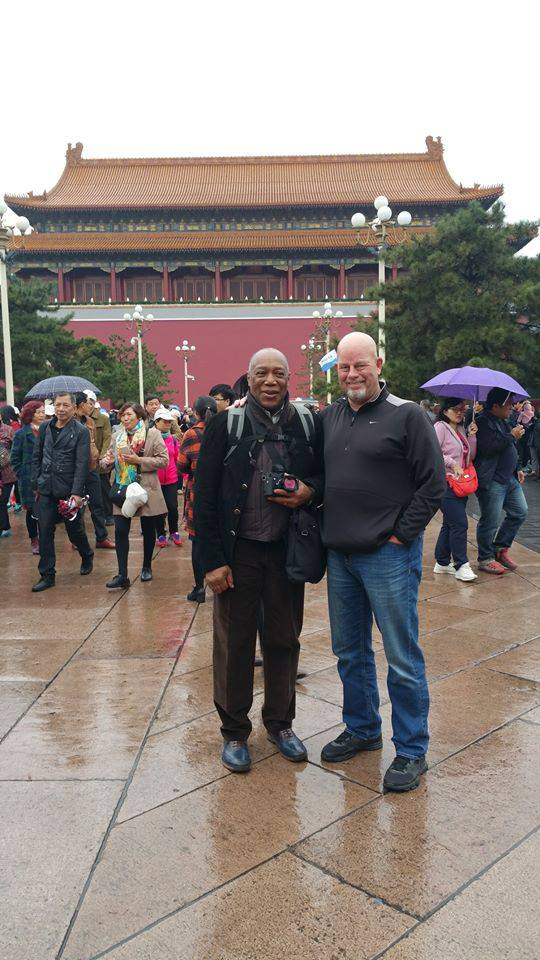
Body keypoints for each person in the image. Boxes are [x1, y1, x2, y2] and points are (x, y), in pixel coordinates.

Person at [318, 332, 446, 793]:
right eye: (345, 367)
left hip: (387, 556)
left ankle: (412, 749)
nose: (352, 374)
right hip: (341, 556)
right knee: (348, 651)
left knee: (401, 655)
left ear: (378, 363)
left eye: (360, 365)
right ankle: (363, 728)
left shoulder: (408, 415)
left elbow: (433, 486)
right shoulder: (329, 417)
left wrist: (399, 535)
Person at [195, 349, 324, 773]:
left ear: (289, 379)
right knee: (234, 645)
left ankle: (281, 724)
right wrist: (211, 562)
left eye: (279, 374)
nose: (271, 381)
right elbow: (205, 497)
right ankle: (234, 731)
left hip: (286, 550)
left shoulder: (306, 423)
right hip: (239, 553)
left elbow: (324, 477)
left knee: (284, 641)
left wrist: (309, 491)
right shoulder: (224, 425)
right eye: (262, 374)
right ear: (247, 380)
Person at [30, 392, 94, 592]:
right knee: (45, 530)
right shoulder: (45, 427)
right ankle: (47, 574)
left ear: (74, 408)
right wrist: (36, 481)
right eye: (58, 405)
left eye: (66, 405)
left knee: (74, 530)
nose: (61, 409)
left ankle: (86, 554)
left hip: (68, 489)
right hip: (47, 487)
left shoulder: (81, 431)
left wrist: (76, 492)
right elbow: (37, 455)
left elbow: (82, 463)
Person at [100, 402, 168, 588]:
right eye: (123, 415)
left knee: (148, 529)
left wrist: (139, 460)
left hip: (144, 488)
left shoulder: (152, 434)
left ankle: (146, 566)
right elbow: (105, 461)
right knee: (121, 530)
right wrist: (107, 462)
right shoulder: (117, 436)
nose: (125, 418)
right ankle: (122, 575)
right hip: (122, 487)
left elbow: (164, 461)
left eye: (129, 414)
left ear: (139, 416)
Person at [475, 387, 528, 574]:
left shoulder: (503, 422)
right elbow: (489, 448)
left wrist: (518, 468)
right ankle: (485, 558)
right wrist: (512, 436)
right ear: (496, 405)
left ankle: (500, 548)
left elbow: (510, 448)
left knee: (520, 512)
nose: (512, 408)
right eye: (509, 404)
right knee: (490, 520)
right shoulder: (481, 422)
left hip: (510, 478)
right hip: (492, 480)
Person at [433, 398, 478, 582]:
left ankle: (442, 563)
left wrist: (472, 436)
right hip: (444, 483)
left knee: (449, 523)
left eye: (463, 409)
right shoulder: (440, 427)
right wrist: (452, 464)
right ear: (445, 411)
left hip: (459, 484)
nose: (460, 412)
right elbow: (434, 451)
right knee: (460, 523)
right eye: (456, 409)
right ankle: (461, 565)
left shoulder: (459, 430)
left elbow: (469, 457)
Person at [179, 395, 218, 603]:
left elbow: (181, 466)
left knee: (197, 542)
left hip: (198, 492)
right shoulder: (222, 430)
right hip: (221, 491)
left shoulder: (192, 434)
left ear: (196, 412)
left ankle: (199, 588)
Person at [74, 393, 115, 549]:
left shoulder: (90, 421)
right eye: (87, 403)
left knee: (97, 503)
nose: (90, 406)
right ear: (80, 405)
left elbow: (94, 442)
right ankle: (77, 539)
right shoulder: (70, 423)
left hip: (92, 468)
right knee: (77, 506)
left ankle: (101, 537)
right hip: (76, 470)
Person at [10, 401, 45, 553]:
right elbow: (14, 458)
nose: (43, 414)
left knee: (46, 509)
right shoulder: (21, 434)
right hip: (28, 479)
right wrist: (22, 474)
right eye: (39, 412)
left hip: (46, 476)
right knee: (31, 511)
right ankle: (34, 540)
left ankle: (45, 538)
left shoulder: (47, 430)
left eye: (43, 411)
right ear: (31, 415)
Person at [153, 406, 183, 547]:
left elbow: (178, 458)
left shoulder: (173, 440)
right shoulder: (150, 438)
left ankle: (174, 531)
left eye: (169, 422)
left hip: (171, 479)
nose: (167, 424)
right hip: (156, 480)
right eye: (164, 421)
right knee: (158, 508)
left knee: (172, 507)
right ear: (156, 422)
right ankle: (160, 534)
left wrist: (182, 476)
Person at [84, 390, 113, 525]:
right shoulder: (78, 419)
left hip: (100, 460)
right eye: (85, 403)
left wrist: (102, 457)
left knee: (104, 488)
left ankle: (108, 514)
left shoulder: (103, 419)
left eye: (90, 403)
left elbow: (107, 438)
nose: (87, 406)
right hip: (84, 461)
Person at [0, 416, 16, 537]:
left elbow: (16, 449)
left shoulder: (9, 430)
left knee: (2, 501)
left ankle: (5, 527)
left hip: (7, 472)